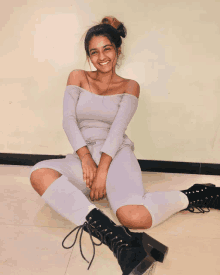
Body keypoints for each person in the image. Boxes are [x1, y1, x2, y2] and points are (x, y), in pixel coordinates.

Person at [30, 16, 220, 275]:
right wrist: (86, 159)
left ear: (118, 50)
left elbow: (118, 130)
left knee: (134, 217)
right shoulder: (78, 76)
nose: (101, 57)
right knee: (39, 173)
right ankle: (122, 242)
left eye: (107, 48)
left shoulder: (130, 86)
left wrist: (103, 170)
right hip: (82, 156)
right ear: (88, 56)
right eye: (94, 52)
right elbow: (68, 120)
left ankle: (196, 194)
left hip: (116, 154)